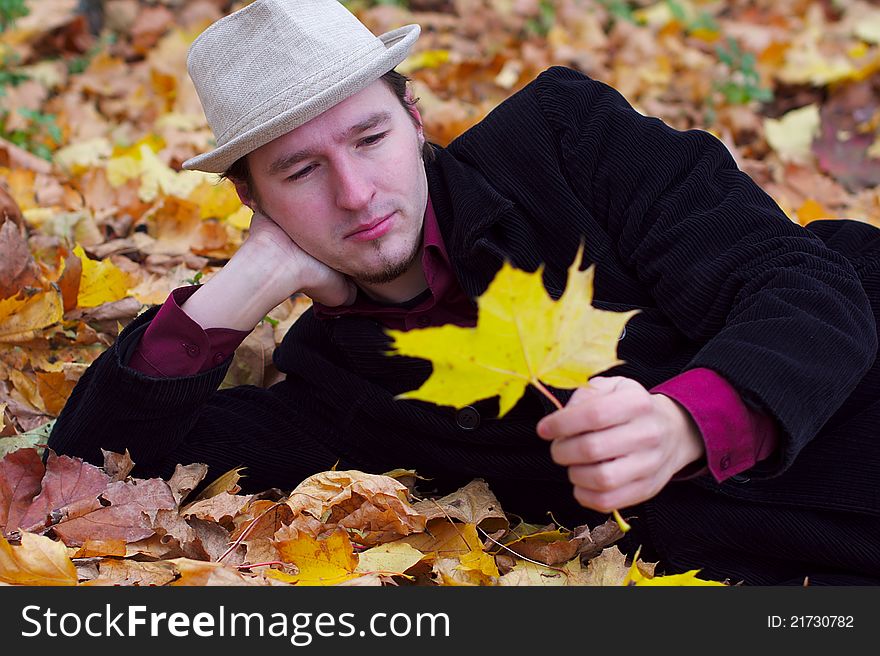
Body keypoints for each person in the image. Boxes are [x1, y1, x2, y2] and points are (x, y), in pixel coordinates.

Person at [48, 0, 880, 585]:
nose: (356, 193)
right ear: (254, 202)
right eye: (301, 172)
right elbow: (91, 481)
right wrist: (233, 295)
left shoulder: (563, 141)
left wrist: (688, 421)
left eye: (370, 137)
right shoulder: (333, 388)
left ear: (414, 118)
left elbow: (799, 284)